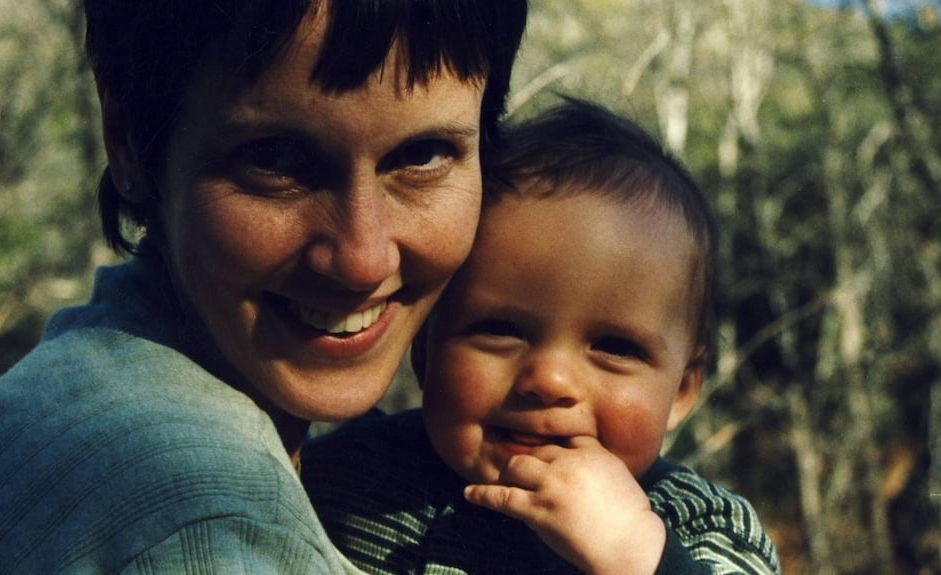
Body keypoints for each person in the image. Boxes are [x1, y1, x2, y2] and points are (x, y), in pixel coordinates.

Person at [0, 1, 527, 573]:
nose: (361, 259)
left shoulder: (74, 381)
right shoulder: (204, 509)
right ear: (128, 139)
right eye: (276, 160)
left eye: (423, 154)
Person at [302, 99, 782, 574]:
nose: (549, 379)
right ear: (424, 349)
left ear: (682, 390)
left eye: (614, 347)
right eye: (501, 330)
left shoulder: (705, 526)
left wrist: (636, 556)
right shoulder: (351, 478)